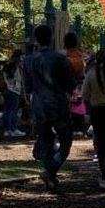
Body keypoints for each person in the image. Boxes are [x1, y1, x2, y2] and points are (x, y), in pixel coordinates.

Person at [23, 25, 78, 192]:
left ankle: (51, 176)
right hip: (57, 104)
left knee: (46, 141)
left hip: (39, 105)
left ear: (35, 39)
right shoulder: (60, 59)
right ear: (52, 38)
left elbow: (28, 86)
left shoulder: (28, 60)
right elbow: (71, 84)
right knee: (66, 141)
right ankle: (51, 170)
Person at [81, 47, 105, 191]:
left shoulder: (91, 73)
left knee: (101, 143)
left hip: (98, 110)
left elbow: (84, 95)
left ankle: (104, 172)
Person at [0, 48, 24, 138]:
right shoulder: (16, 65)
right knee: (14, 109)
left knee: (7, 109)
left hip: (6, 89)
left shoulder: (7, 63)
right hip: (14, 89)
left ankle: (7, 130)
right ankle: (13, 129)